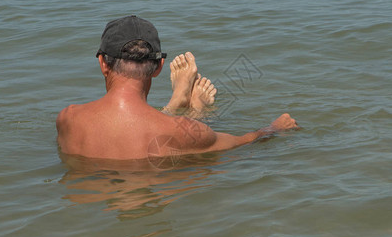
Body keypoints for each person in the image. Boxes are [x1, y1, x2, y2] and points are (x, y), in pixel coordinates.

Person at [56, 15, 298, 160]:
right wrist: (273, 128)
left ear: (102, 63)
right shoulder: (182, 132)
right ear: (159, 66)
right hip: (164, 173)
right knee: (189, 148)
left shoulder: (68, 119)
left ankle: (177, 103)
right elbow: (242, 143)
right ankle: (194, 110)